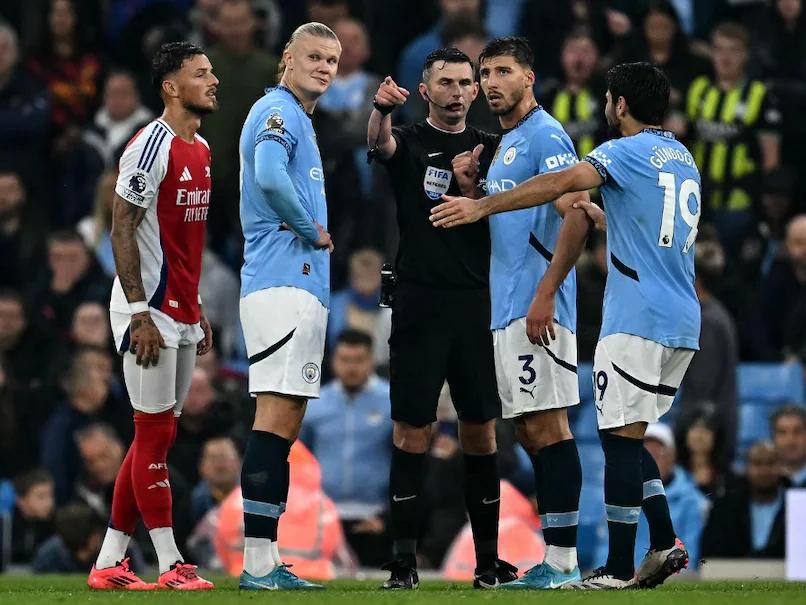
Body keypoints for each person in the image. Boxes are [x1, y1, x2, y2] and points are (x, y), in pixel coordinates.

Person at [430, 61, 701, 590]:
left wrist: (483, 205)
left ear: (619, 104)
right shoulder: (681, 157)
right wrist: (607, 219)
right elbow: (644, 219)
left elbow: (561, 184)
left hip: (638, 316)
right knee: (632, 435)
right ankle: (664, 542)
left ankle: (618, 568)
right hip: (682, 316)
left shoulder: (623, 151)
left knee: (617, 442)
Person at [367, 47, 517, 590]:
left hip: (478, 304)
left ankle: (487, 564)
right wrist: (380, 109)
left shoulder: (494, 148)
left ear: (475, 91)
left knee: (481, 434)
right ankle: (403, 565)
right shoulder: (406, 140)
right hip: (419, 302)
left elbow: (508, 216)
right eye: (445, 83)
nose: (456, 91)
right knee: (412, 431)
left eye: (464, 83)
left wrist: (474, 188)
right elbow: (377, 144)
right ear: (424, 90)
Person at [87, 41, 219, 591]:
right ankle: (169, 563)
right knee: (152, 431)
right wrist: (140, 312)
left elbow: (185, 243)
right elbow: (120, 227)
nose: (212, 81)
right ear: (171, 86)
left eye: (212, 72)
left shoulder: (203, 147)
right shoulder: (149, 147)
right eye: (200, 74)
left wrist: (199, 308)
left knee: (155, 439)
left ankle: (108, 562)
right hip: (148, 311)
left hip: (182, 310)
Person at [237, 21, 339, 591]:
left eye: (331, 59)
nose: (324, 67)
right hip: (282, 281)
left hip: (296, 286)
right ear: (287, 58)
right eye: (314, 57)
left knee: (285, 422)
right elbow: (271, 176)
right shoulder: (276, 111)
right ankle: (256, 562)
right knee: (273, 420)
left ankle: (266, 558)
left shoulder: (297, 118)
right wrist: (311, 228)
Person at [681, 22, 781, 253]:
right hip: (696, 201)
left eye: (733, 50)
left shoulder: (759, 94)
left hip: (739, 203)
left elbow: (771, 160)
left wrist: (762, 205)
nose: (725, 58)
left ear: (745, 55)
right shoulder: (698, 89)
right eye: (719, 49)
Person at [300, 329, 393, 567]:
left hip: (374, 517)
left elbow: (405, 465)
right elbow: (301, 460)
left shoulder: (391, 401)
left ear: (372, 360)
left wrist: (388, 516)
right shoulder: (315, 402)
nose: (351, 367)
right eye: (345, 360)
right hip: (323, 516)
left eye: (359, 360)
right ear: (333, 361)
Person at [701, 441, 788, 558]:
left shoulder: (798, 506)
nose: (764, 470)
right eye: (757, 464)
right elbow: (710, 554)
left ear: (781, 467)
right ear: (747, 468)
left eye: (770, 463)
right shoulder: (724, 508)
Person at [11, 469, 54, 565]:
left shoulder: (55, 525)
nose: (49, 503)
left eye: (50, 496)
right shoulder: (7, 526)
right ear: (21, 501)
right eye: (41, 497)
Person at [771, 405, 806, 488]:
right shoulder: (759, 483)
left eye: (797, 432)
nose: (790, 441)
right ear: (773, 438)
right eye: (782, 432)